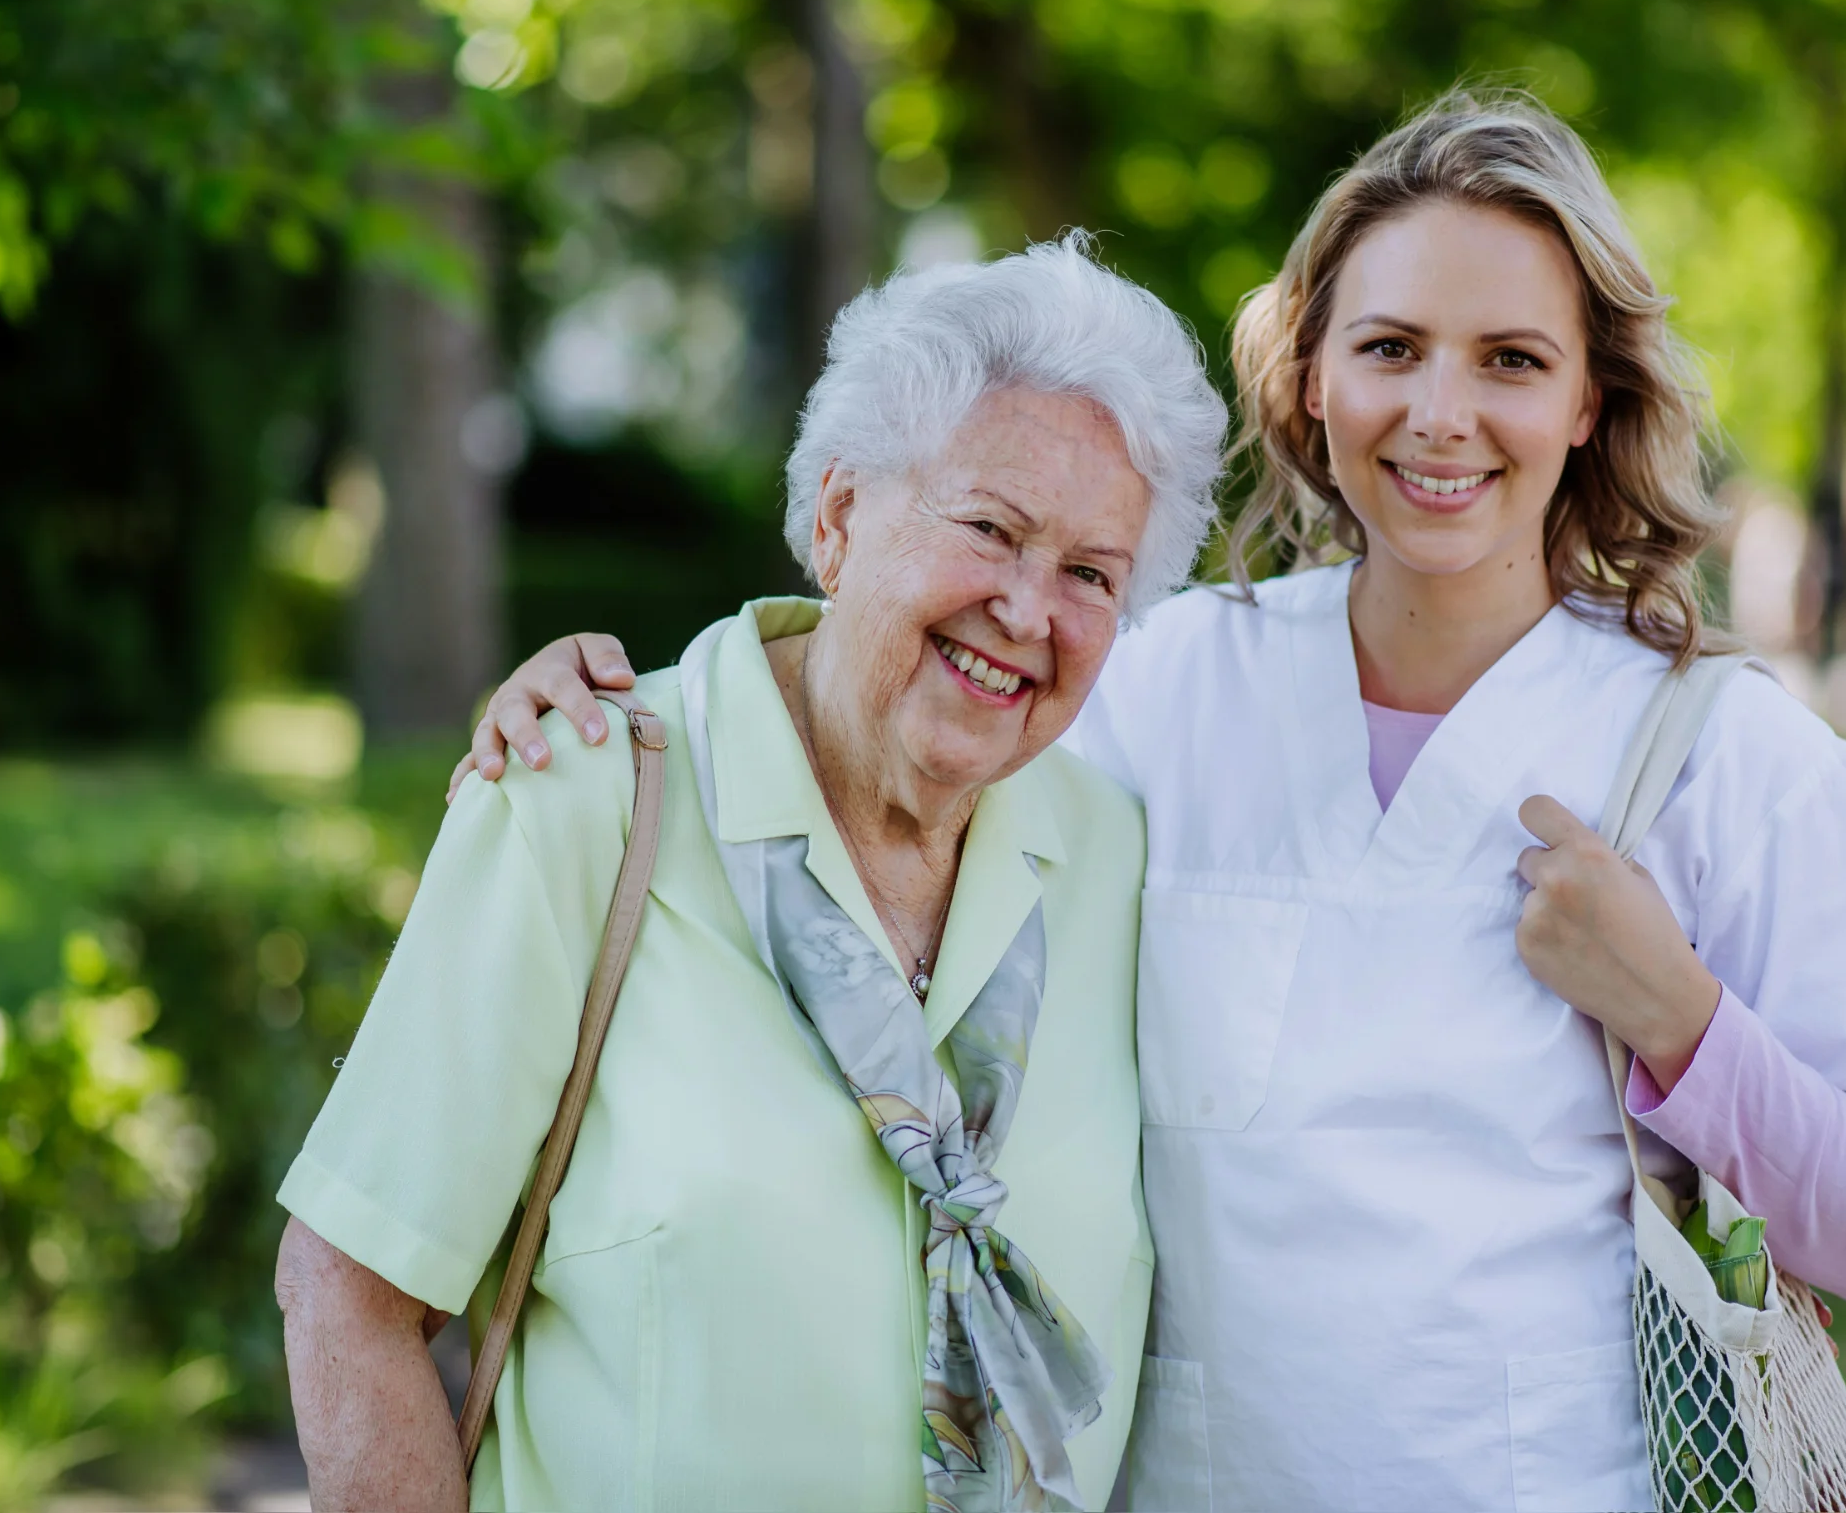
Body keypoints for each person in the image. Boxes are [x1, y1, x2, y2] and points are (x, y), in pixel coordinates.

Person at [458, 90, 1846, 1511]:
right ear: (1311, 378)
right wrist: (631, 715)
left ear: (1591, 400)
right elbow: (876, 748)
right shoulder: (1152, 689)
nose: (1440, 413)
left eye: (1512, 361)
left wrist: (1681, 1020)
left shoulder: (1729, 755)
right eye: (1389, 348)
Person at [275, 235, 1229, 1512]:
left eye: (1090, 575)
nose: (1026, 609)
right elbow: (350, 1293)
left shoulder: (1118, 856)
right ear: (839, 519)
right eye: (989, 529)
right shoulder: (586, 800)